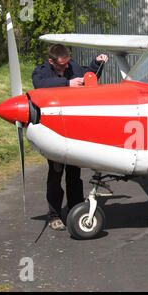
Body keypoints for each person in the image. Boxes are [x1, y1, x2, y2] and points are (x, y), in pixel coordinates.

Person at [32, 44, 108, 230]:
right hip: (54, 133)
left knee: (74, 175)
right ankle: (54, 215)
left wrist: (97, 63)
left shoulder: (72, 67)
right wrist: (67, 84)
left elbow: (89, 76)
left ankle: (76, 209)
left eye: (67, 63)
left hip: (73, 132)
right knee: (55, 175)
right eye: (62, 65)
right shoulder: (41, 72)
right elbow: (40, 85)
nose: (66, 68)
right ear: (51, 62)